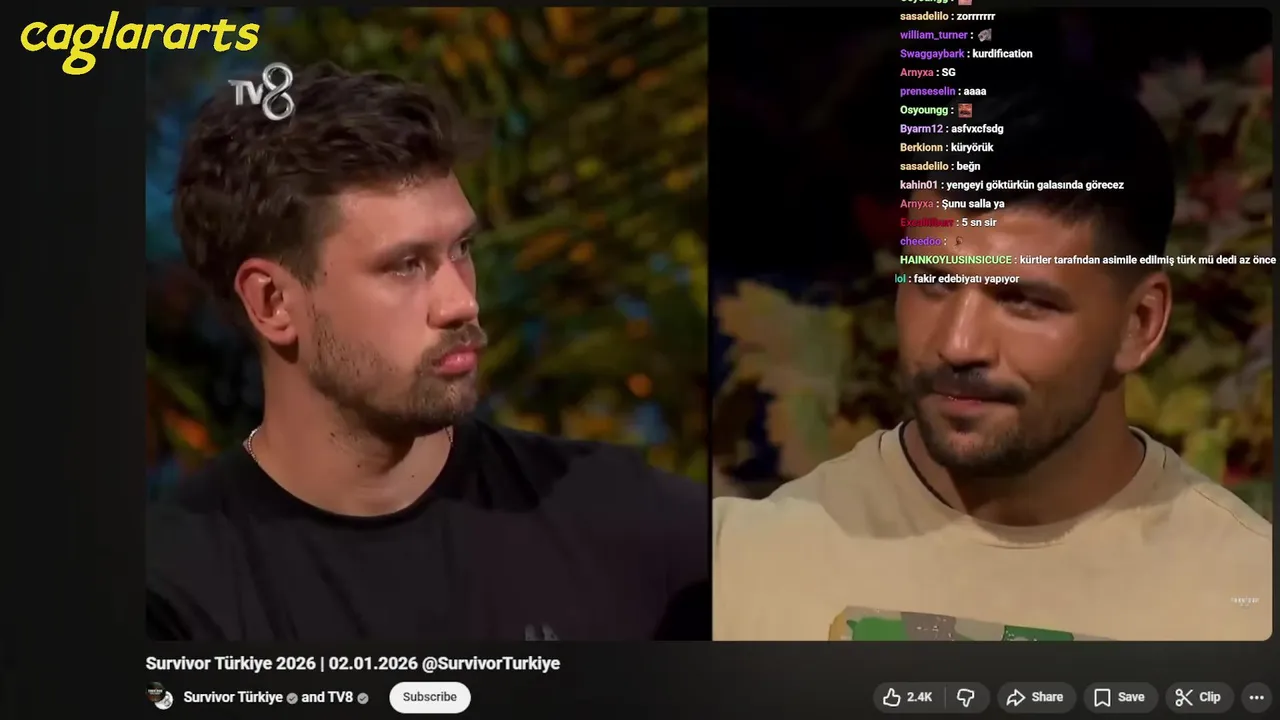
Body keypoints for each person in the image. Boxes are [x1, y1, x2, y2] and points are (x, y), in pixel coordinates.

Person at [147, 62, 708, 641]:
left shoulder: (616, 517)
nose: (461, 302)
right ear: (273, 303)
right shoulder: (177, 596)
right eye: (406, 265)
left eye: (461, 248)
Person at [712, 78, 1271, 641]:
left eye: (1022, 300)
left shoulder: (1247, 601)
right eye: (932, 282)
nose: (958, 344)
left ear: (1139, 324)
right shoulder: (742, 571)